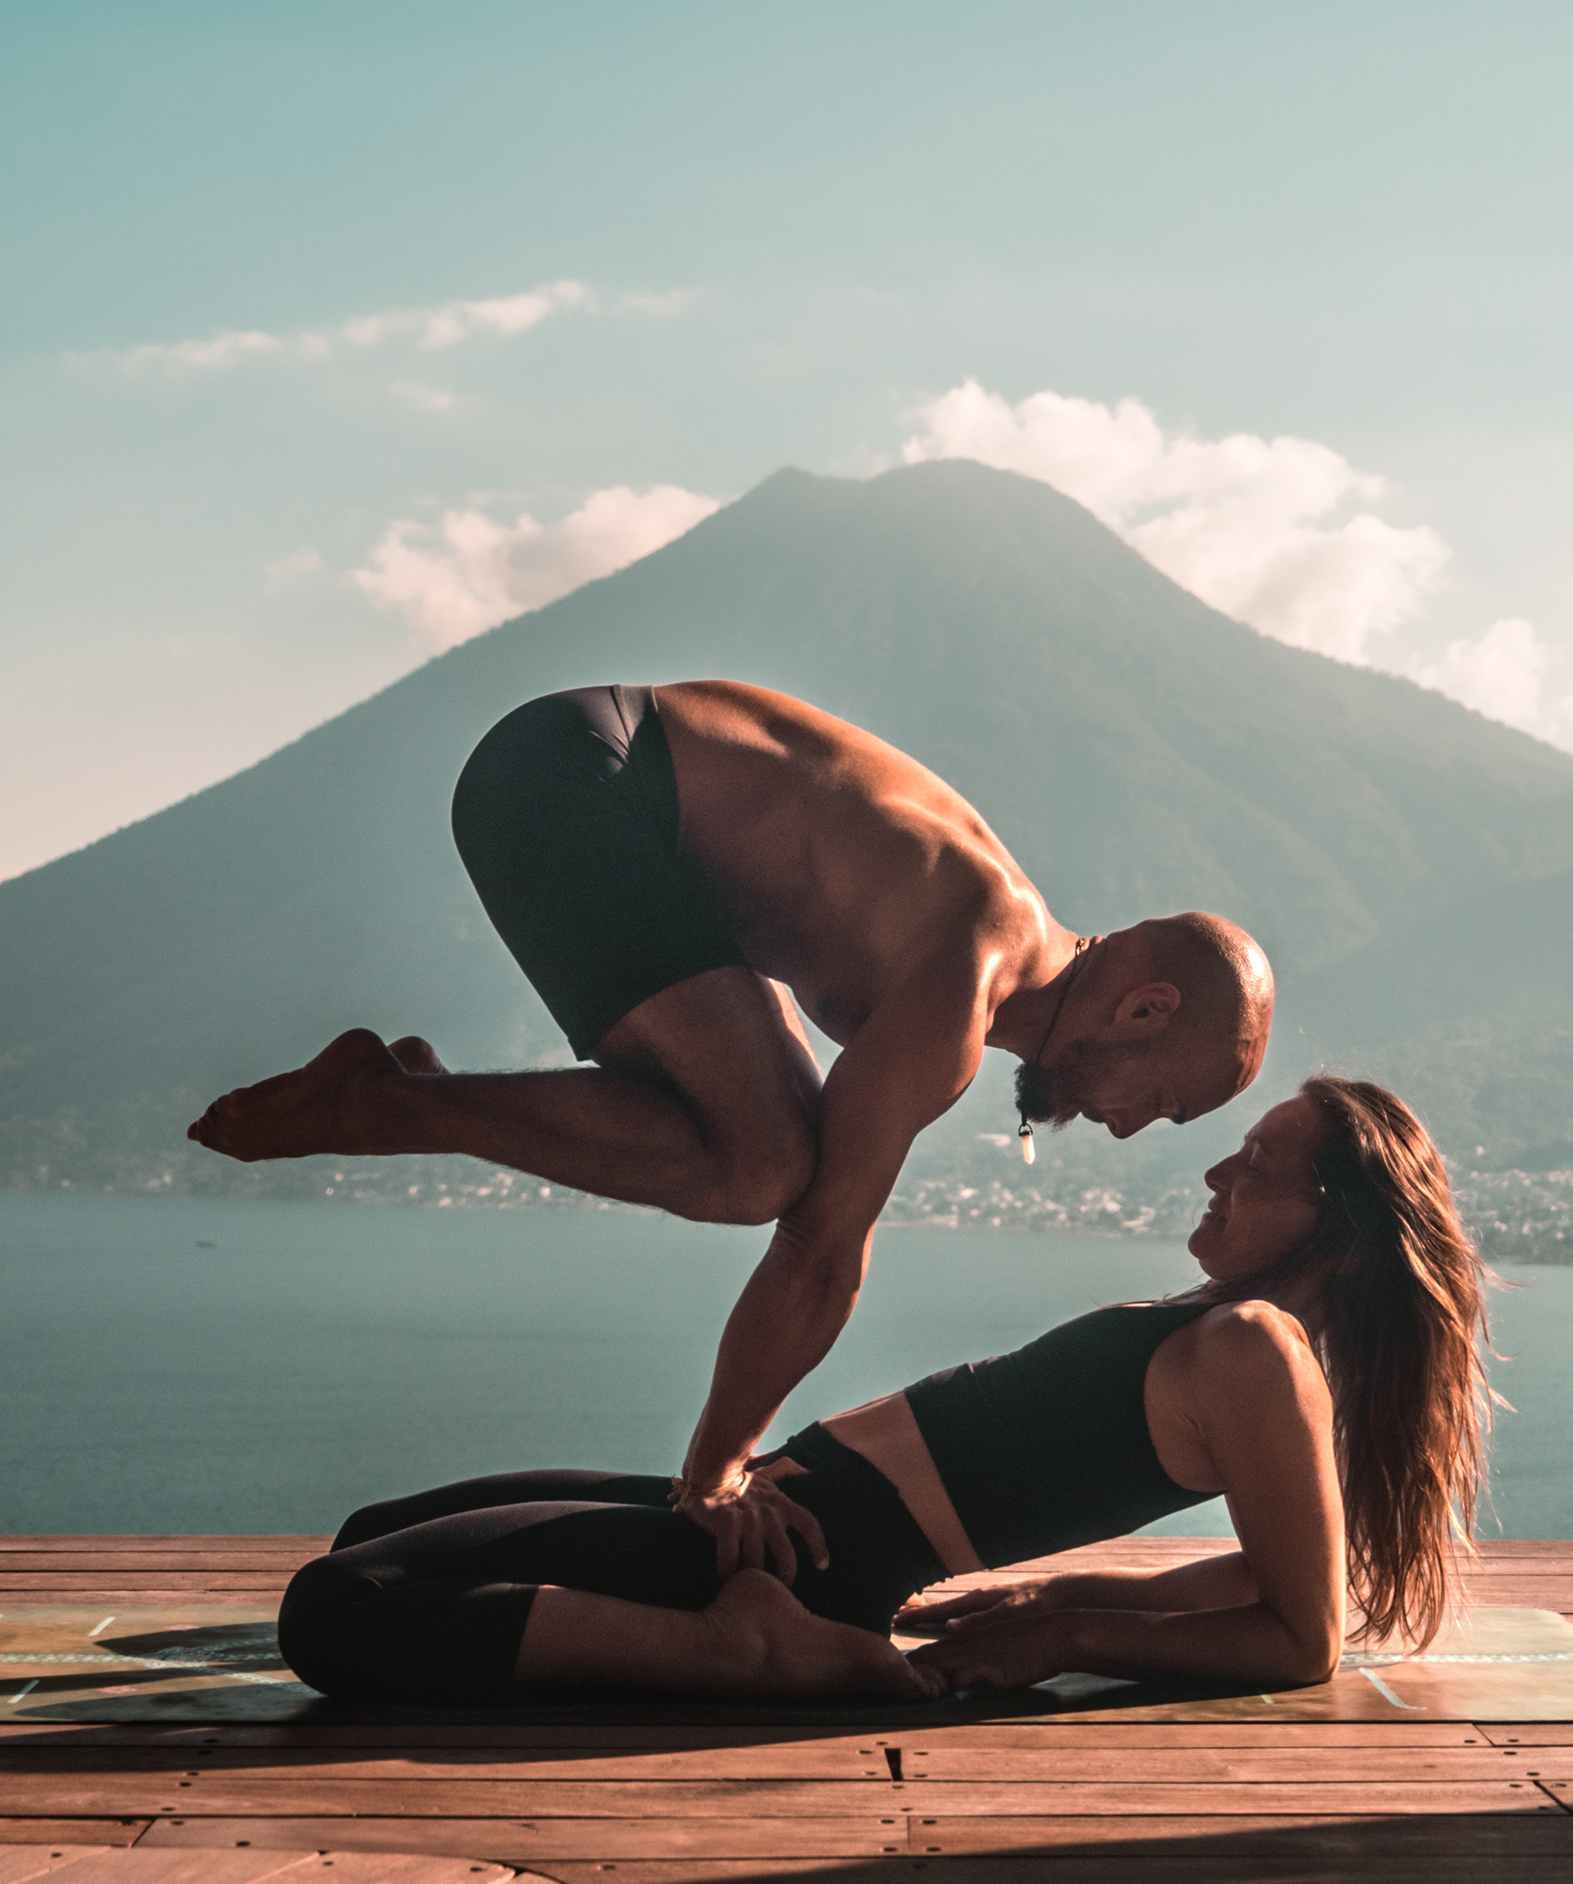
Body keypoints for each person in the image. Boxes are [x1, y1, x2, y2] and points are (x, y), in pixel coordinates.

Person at [191, 680, 1277, 1581]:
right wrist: (715, 1470)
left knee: (756, 1148)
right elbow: (820, 1253)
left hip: (572, 777)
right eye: (1160, 1101)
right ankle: (384, 1106)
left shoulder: (980, 939)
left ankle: (391, 1100)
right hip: (575, 777)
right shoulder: (968, 969)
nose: (1127, 1129)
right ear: (1144, 1010)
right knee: (764, 1160)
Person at [273, 1074, 1492, 1705]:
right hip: (779, 1510)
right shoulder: (1242, 1338)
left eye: (1262, 1159)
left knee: (334, 1612)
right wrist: (1066, 1585)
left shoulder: (1258, 1351)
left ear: (1332, 1222)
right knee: (372, 1538)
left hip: (804, 1565)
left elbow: (1300, 1637)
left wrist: (1070, 1634)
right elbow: (1282, 1576)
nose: (1221, 1165)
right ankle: (751, 1628)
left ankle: (752, 1656)